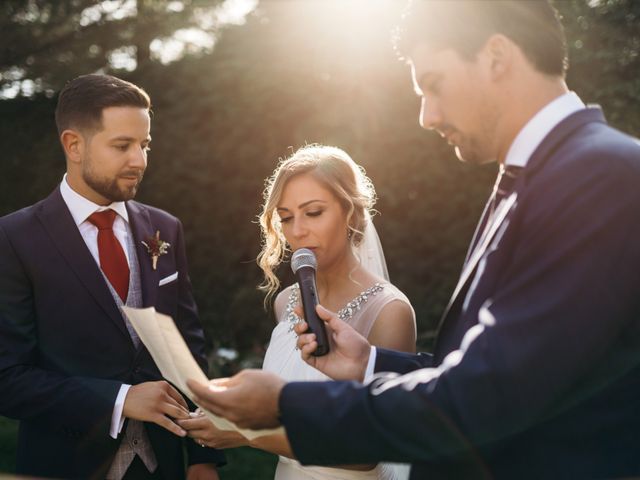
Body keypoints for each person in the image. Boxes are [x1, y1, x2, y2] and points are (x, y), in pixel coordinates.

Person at [186, 1, 640, 479]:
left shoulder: (596, 176)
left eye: (433, 84)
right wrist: (371, 361)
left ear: (497, 57)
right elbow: (501, 364)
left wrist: (288, 407)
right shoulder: (543, 176)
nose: (425, 115)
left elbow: (491, 394)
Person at [0, 74, 225, 479]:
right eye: (122, 145)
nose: (139, 160)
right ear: (73, 145)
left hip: (166, 466)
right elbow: (8, 379)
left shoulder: (165, 228)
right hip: (66, 466)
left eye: (144, 145)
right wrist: (119, 400)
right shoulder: (14, 238)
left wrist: (204, 456)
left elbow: (188, 351)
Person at [179, 145, 416, 479]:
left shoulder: (389, 310)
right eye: (287, 217)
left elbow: (369, 450)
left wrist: (249, 433)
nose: (297, 231)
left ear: (350, 211)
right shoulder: (285, 301)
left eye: (314, 212)